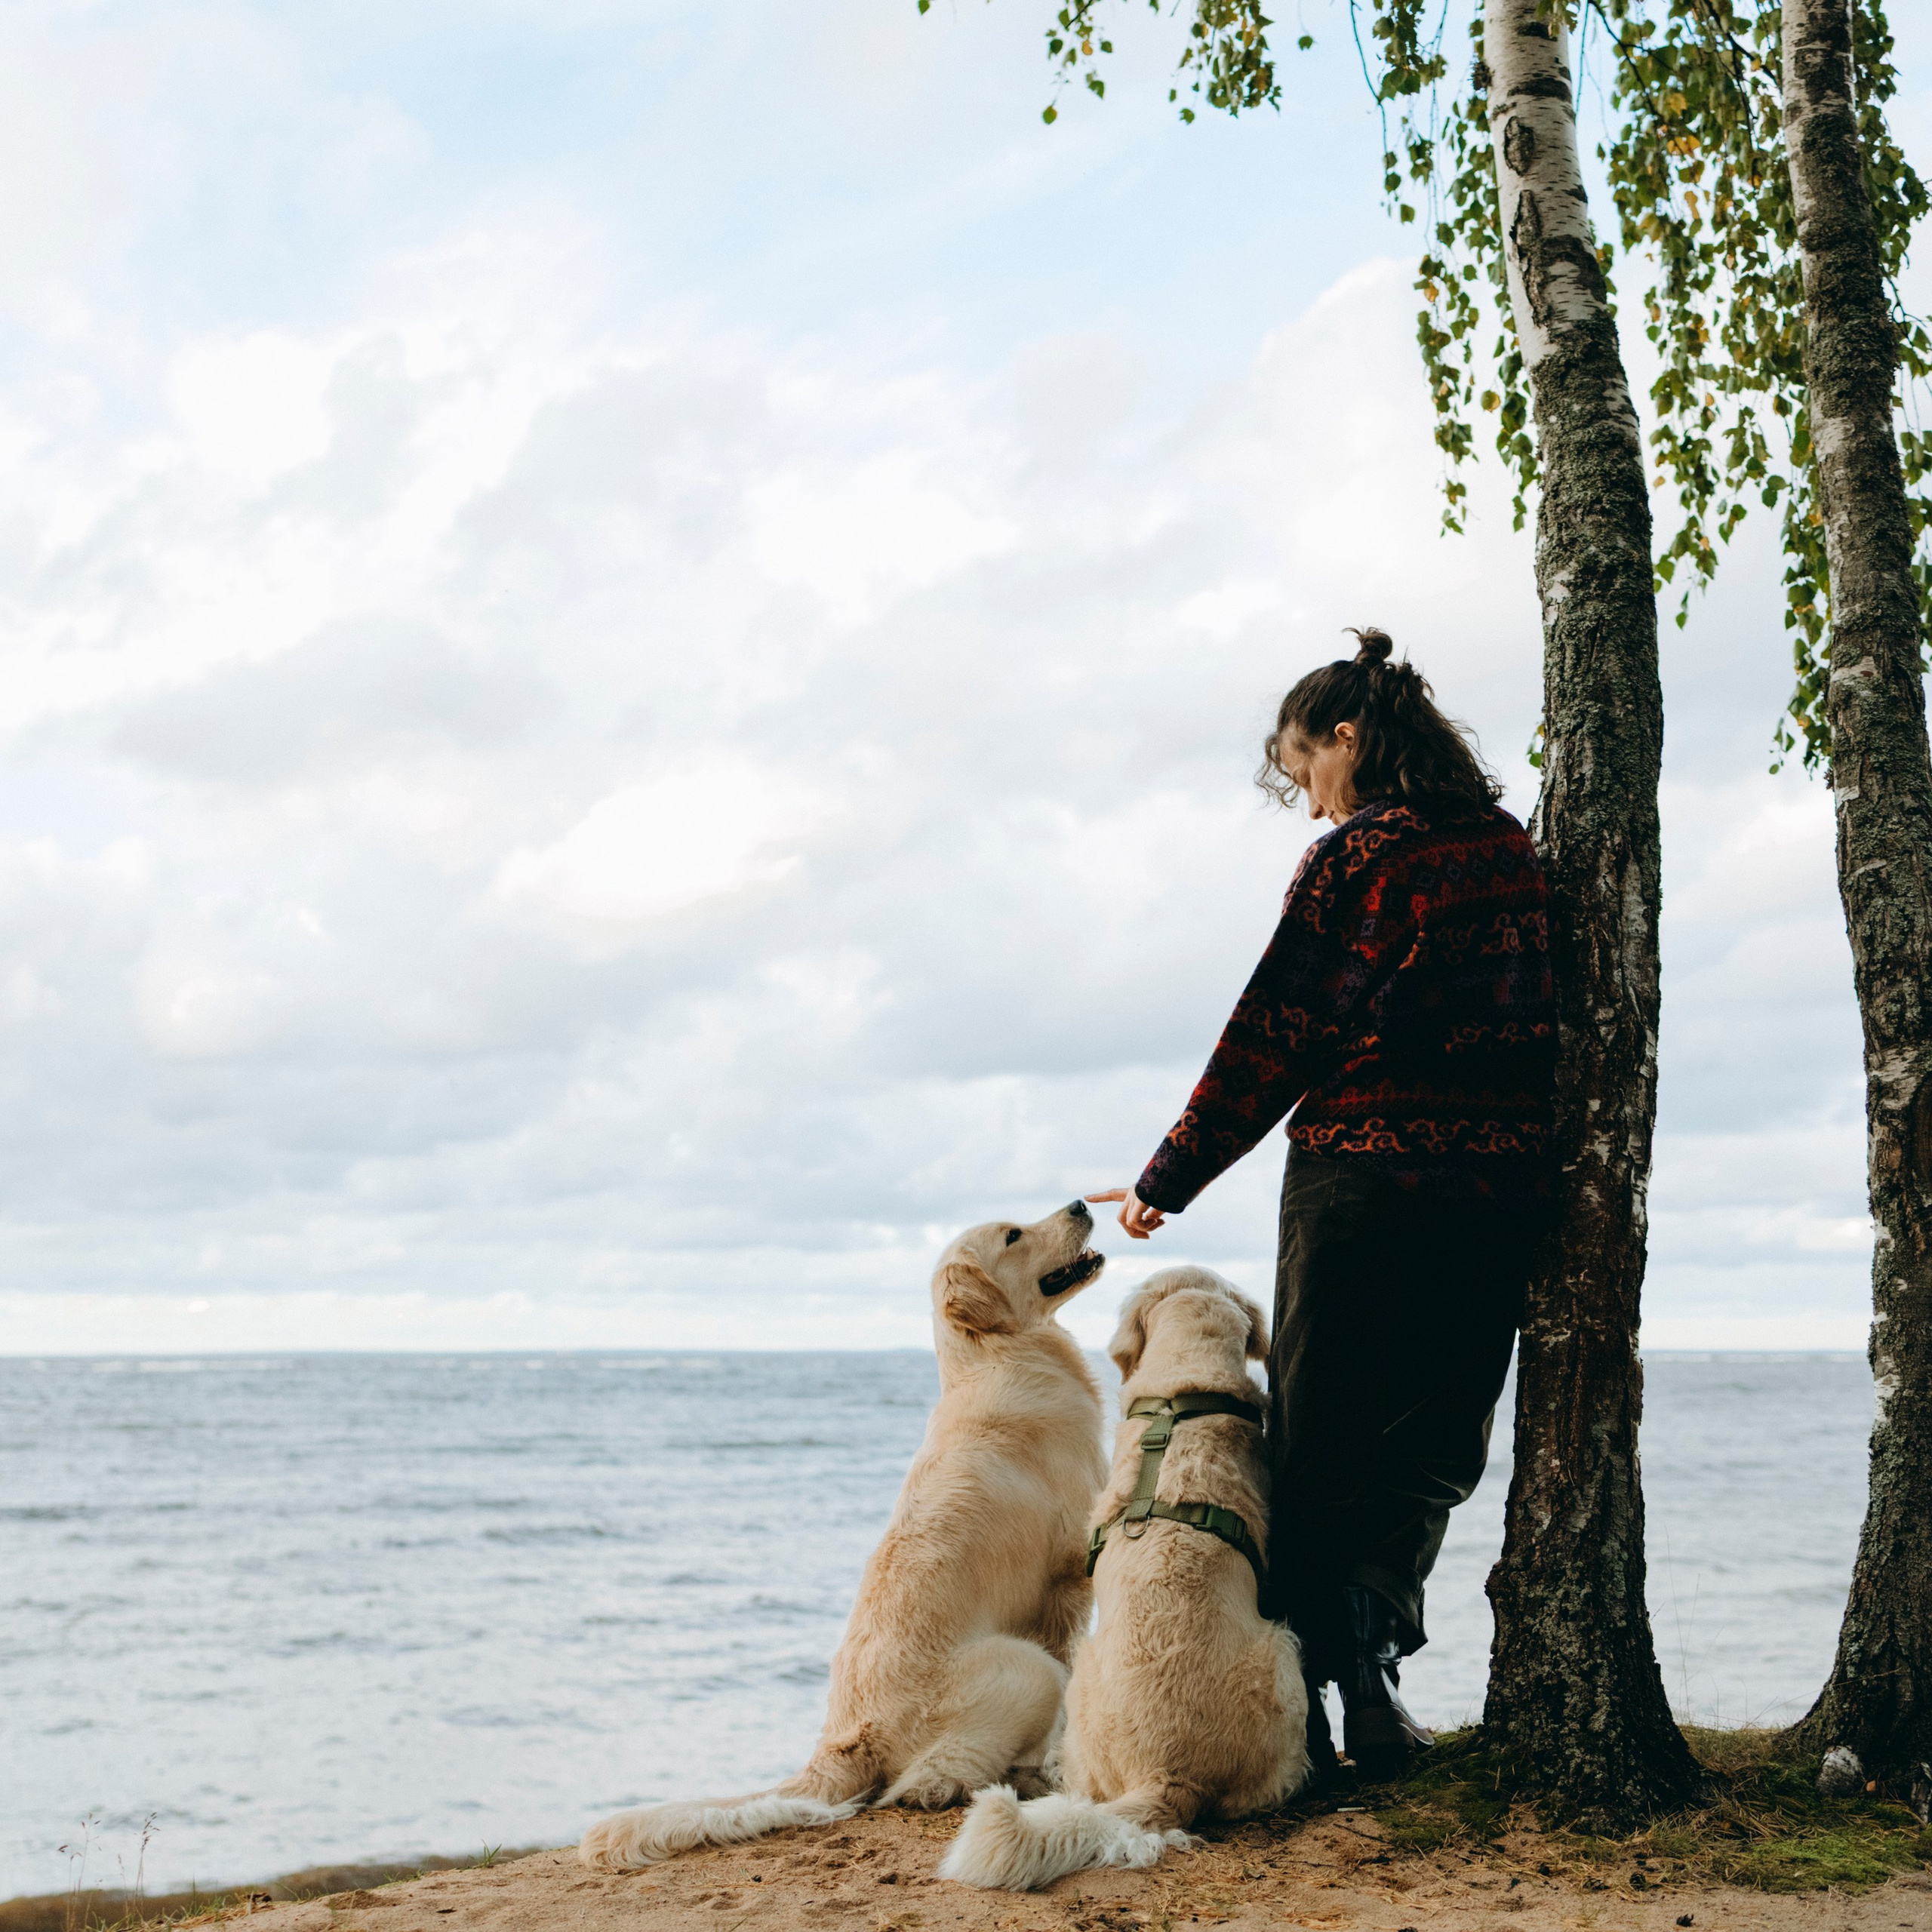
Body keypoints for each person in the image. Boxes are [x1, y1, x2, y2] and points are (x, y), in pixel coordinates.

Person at [1089, 629, 1555, 1782]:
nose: (1310, 803)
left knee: (1321, 1447)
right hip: (1491, 1195)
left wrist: (1167, 1178)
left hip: (1360, 1184)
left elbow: (1274, 1032)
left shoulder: (1356, 858)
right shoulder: (1509, 850)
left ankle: (1305, 1710)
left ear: (1348, 738)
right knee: (1435, 1445)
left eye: (1307, 770)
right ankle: (1375, 1682)